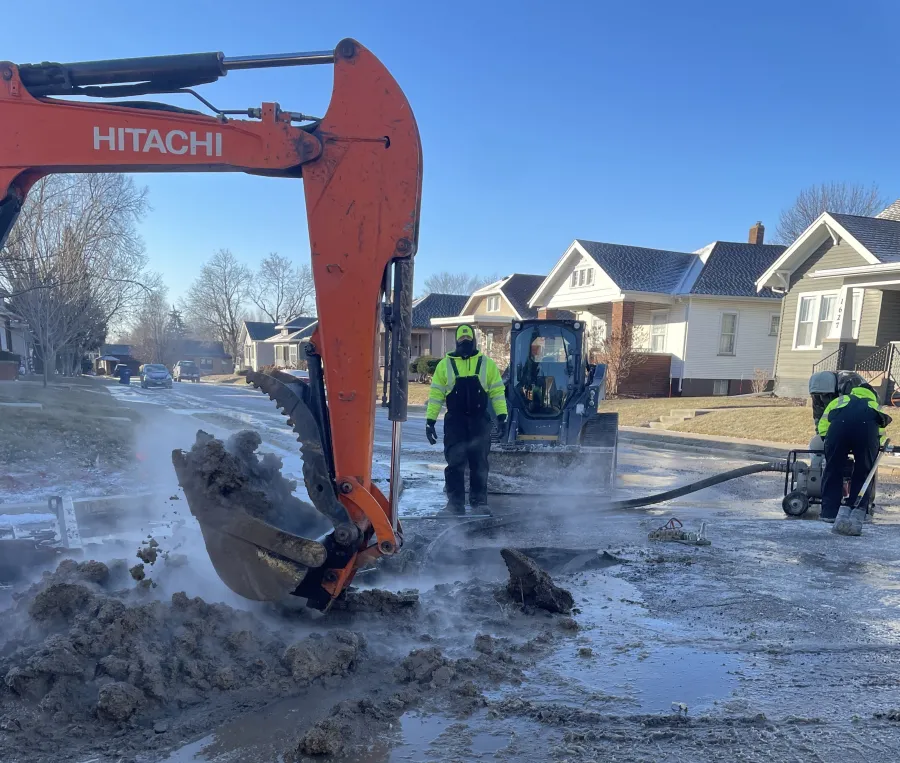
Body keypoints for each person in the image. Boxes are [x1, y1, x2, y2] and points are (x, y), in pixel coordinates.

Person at [425, 325, 508, 514]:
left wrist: (502, 417)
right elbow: (436, 395)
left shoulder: (487, 364)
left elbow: (497, 393)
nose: (465, 344)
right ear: (456, 342)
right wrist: (430, 421)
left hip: (479, 421)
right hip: (455, 422)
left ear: (474, 341)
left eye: (468, 341)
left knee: (479, 463)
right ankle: (455, 505)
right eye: (461, 342)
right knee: (455, 462)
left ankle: (479, 503)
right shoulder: (445, 365)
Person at [817, 372, 890, 536]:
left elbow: (823, 423)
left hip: (838, 431)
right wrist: (875, 447)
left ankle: (829, 512)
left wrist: (828, 440)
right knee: (863, 471)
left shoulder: (840, 400)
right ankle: (857, 510)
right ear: (872, 394)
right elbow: (880, 433)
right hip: (866, 433)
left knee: (833, 469)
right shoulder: (874, 405)